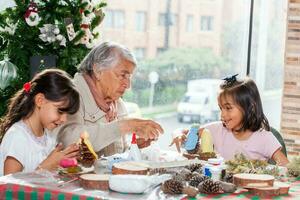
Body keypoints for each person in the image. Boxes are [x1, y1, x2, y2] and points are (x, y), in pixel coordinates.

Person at [55, 41, 163, 156]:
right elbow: (67, 141)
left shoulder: (117, 103)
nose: (128, 85)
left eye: (129, 77)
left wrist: (134, 146)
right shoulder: (70, 95)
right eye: (122, 75)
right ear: (98, 70)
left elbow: (116, 154)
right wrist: (124, 126)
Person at [171, 75, 289, 166]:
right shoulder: (216, 130)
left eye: (228, 108)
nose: (222, 115)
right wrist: (178, 134)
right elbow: (184, 131)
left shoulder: (265, 138)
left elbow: (285, 168)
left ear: (250, 107)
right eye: (221, 108)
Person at [0, 69, 80, 176]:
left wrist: (65, 160)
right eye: (60, 111)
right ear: (40, 101)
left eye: (67, 114)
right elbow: (9, 188)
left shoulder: (48, 136)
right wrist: (47, 166)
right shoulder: (17, 137)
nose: (64, 119)